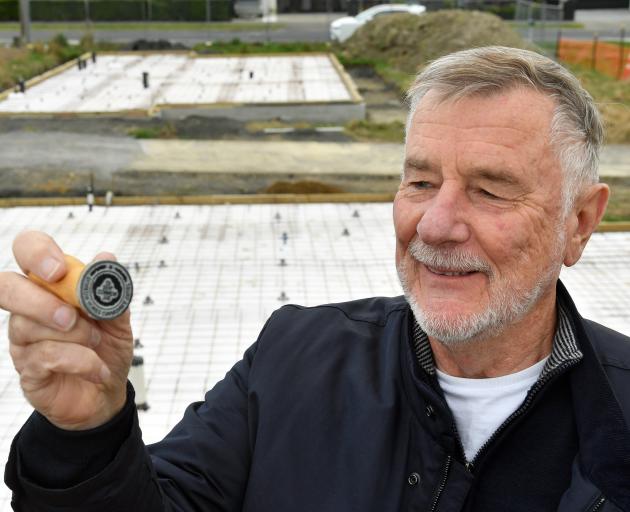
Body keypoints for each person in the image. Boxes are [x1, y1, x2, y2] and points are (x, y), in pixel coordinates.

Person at [2, 45, 630, 512]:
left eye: (490, 191)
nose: (435, 226)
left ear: (579, 222)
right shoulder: (290, 360)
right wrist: (85, 437)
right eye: (420, 183)